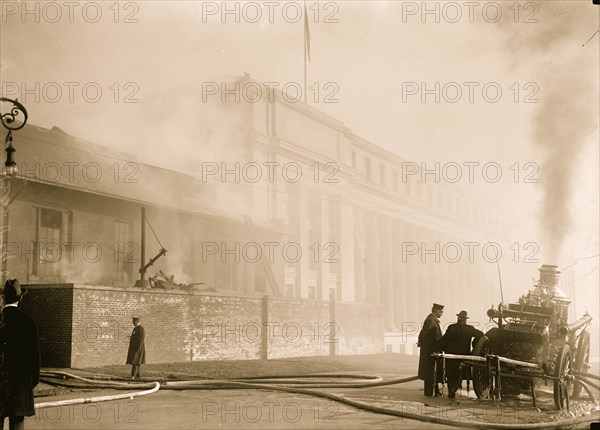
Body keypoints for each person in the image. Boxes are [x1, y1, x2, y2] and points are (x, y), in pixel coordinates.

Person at [0, 279, 40, 430]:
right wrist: (32, 382)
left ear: (4, 298)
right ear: (20, 298)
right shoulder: (28, 323)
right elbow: (34, 359)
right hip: (20, 386)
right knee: (17, 424)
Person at [438, 310, 484, 399]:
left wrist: (440, 350)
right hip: (463, 356)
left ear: (458, 318)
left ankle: (451, 391)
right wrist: (474, 346)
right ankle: (452, 390)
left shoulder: (451, 328)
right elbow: (481, 335)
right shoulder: (470, 329)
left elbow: (444, 340)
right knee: (459, 374)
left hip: (451, 356)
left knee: (450, 374)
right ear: (465, 319)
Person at [418, 303, 444, 396]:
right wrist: (429, 347)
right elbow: (425, 335)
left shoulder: (432, 320)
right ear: (436, 310)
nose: (442, 313)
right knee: (429, 372)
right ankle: (429, 393)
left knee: (434, 371)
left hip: (431, 350)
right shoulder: (430, 321)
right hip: (430, 351)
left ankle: (436, 391)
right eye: (441, 311)